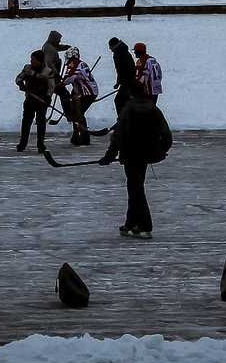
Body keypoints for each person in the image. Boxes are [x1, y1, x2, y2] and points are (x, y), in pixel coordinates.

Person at [98, 82, 172, 239]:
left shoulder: (128, 110)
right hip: (146, 154)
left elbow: (118, 137)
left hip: (131, 155)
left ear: (130, 93)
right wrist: (161, 150)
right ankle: (130, 224)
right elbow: (166, 134)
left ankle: (145, 226)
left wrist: (108, 156)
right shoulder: (154, 109)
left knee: (135, 189)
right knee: (135, 186)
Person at [15, 49, 56, 153]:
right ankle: (22, 144)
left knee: (41, 122)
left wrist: (48, 97)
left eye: (33, 59)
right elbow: (19, 78)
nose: (31, 61)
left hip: (41, 102)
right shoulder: (27, 68)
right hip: (29, 100)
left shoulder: (48, 72)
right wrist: (20, 83)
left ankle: (40, 144)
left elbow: (51, 87)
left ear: (39, 60)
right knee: (26, 122)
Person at [61, 47, 99, 145]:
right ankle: (80, 136)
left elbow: (68, 80)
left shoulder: (75, 64)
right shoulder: (81, 63)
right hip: (89, 92)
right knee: (78, 113)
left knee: (78, 114)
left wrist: (62, 82)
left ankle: (82, 137)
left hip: (86, 93)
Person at [42, 30, 72, 120]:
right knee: (64, 94)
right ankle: (70, 115)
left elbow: (56, 47)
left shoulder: (48, 45)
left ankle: (40, 116)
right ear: (54, 39)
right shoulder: (50, 49)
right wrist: (56, 74)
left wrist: (65, 47)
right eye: (59, 40)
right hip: (51, 77)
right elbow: (49, 63)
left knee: (47, 96)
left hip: (48, 76)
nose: (59, 41)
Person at [109, 37, 137, 115]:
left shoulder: (119, 54)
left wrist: (119, 83)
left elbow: (121, 70)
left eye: (110, 46)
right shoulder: (123, 51)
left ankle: (122, 121)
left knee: (119, 100)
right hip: (129, 81)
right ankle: (125, 120)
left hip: (127, 82)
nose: (109, 48)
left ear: (114, 45)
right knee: (125, 101)